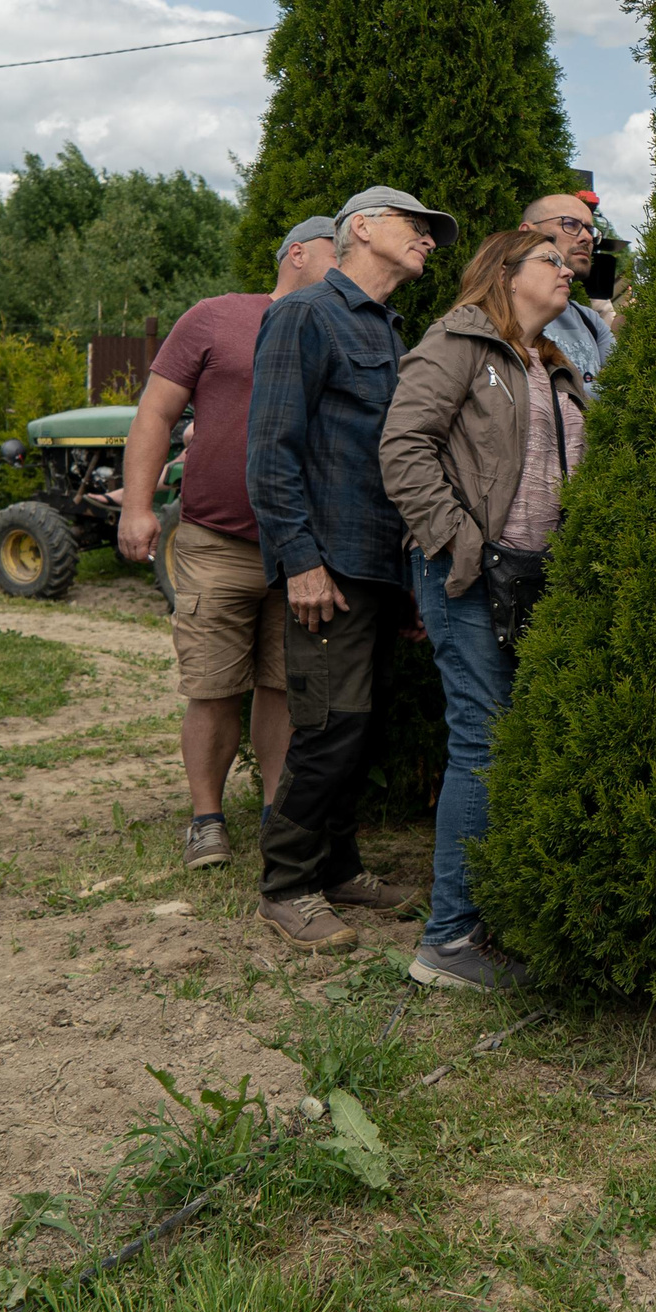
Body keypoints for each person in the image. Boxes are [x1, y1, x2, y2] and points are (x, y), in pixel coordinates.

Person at [243, 185, 456, 953]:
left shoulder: (387, 329)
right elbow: (271, 450)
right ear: (360, 227)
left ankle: (336, 869)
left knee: (358, 728)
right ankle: (286, 886)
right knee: (328, 726)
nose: (428, 239)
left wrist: (406, 581)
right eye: (415, 225)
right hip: (326, 563)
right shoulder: (306, 314)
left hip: (376, 566)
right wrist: (300, 561)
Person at [381, 225, 588, 993]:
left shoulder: (553, 363)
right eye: (550, 260)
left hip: (537, 580)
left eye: (569, 261)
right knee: (482, 738)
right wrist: (458, 543)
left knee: (512, 740)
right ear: (505, 272)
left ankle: (491, 915)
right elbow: (403, 447)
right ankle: (447, 940)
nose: (567, 269)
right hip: (468, 576)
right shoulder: (459, 341)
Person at [117, 215, 340, 869]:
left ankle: (276, 815)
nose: (351, 262)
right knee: (213, 687)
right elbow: (156, 413)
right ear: (296, 254)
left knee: (284, 688)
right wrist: (137, 507)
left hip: (304, 551)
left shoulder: (344, 328)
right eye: (338, 250)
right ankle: (206, 819)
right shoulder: (217, 317)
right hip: (218, 540)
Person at [525, 191, 618, 392]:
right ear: (527, 233)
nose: (587, 238)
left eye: (590, 230)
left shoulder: (590, 321)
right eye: (570, 224)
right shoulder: (495, 317)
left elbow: (622, 386)